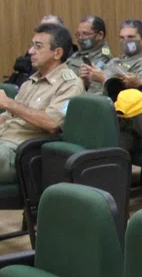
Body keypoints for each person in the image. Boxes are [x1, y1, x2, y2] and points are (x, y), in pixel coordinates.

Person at [0, 23, 86, 183]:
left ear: (57, 53)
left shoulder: (70, 84)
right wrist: (8, 109)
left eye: (38, 47)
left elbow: (52, 122)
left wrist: (8, 103)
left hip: (21, 153)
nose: (31, 51)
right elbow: (9, 116)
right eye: (31, 46)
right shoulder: (30, 82)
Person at [82, 19, 142, 95]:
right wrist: (88, 79)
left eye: (130, 37)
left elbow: (135, 94)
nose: (125, 41)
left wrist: (103, 78)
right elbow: (96, 88)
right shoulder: (114, 61)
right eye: (122, 38)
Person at [65, 16, 111, 94]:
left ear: (100, 35)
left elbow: (94, 90)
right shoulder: (78, 53)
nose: (80, 38)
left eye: (85, 34)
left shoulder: (103, 57)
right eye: (78, 34)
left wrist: (85, 81)